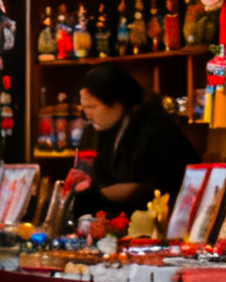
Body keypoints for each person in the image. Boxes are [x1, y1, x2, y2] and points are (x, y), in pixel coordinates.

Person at [66, 63, 196, 228]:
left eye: (92, 107)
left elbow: (163, 184)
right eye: (84, 108)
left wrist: (105, 191)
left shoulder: (155, 125)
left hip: (165, 223)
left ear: (116, 103)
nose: (87, 114)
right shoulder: (101, 129)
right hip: (118, 224)